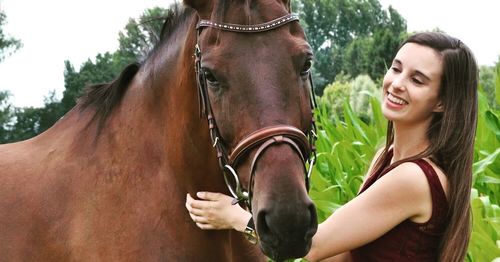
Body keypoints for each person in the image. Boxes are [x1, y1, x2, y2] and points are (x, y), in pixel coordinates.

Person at [185, 32, 478, 262]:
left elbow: (314, 247)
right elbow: (336, 254)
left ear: (442, 102)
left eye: (417, 80)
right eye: (396, 68)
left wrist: (236, 218)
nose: (397, 84)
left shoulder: (414, 178)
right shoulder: (387, 157)